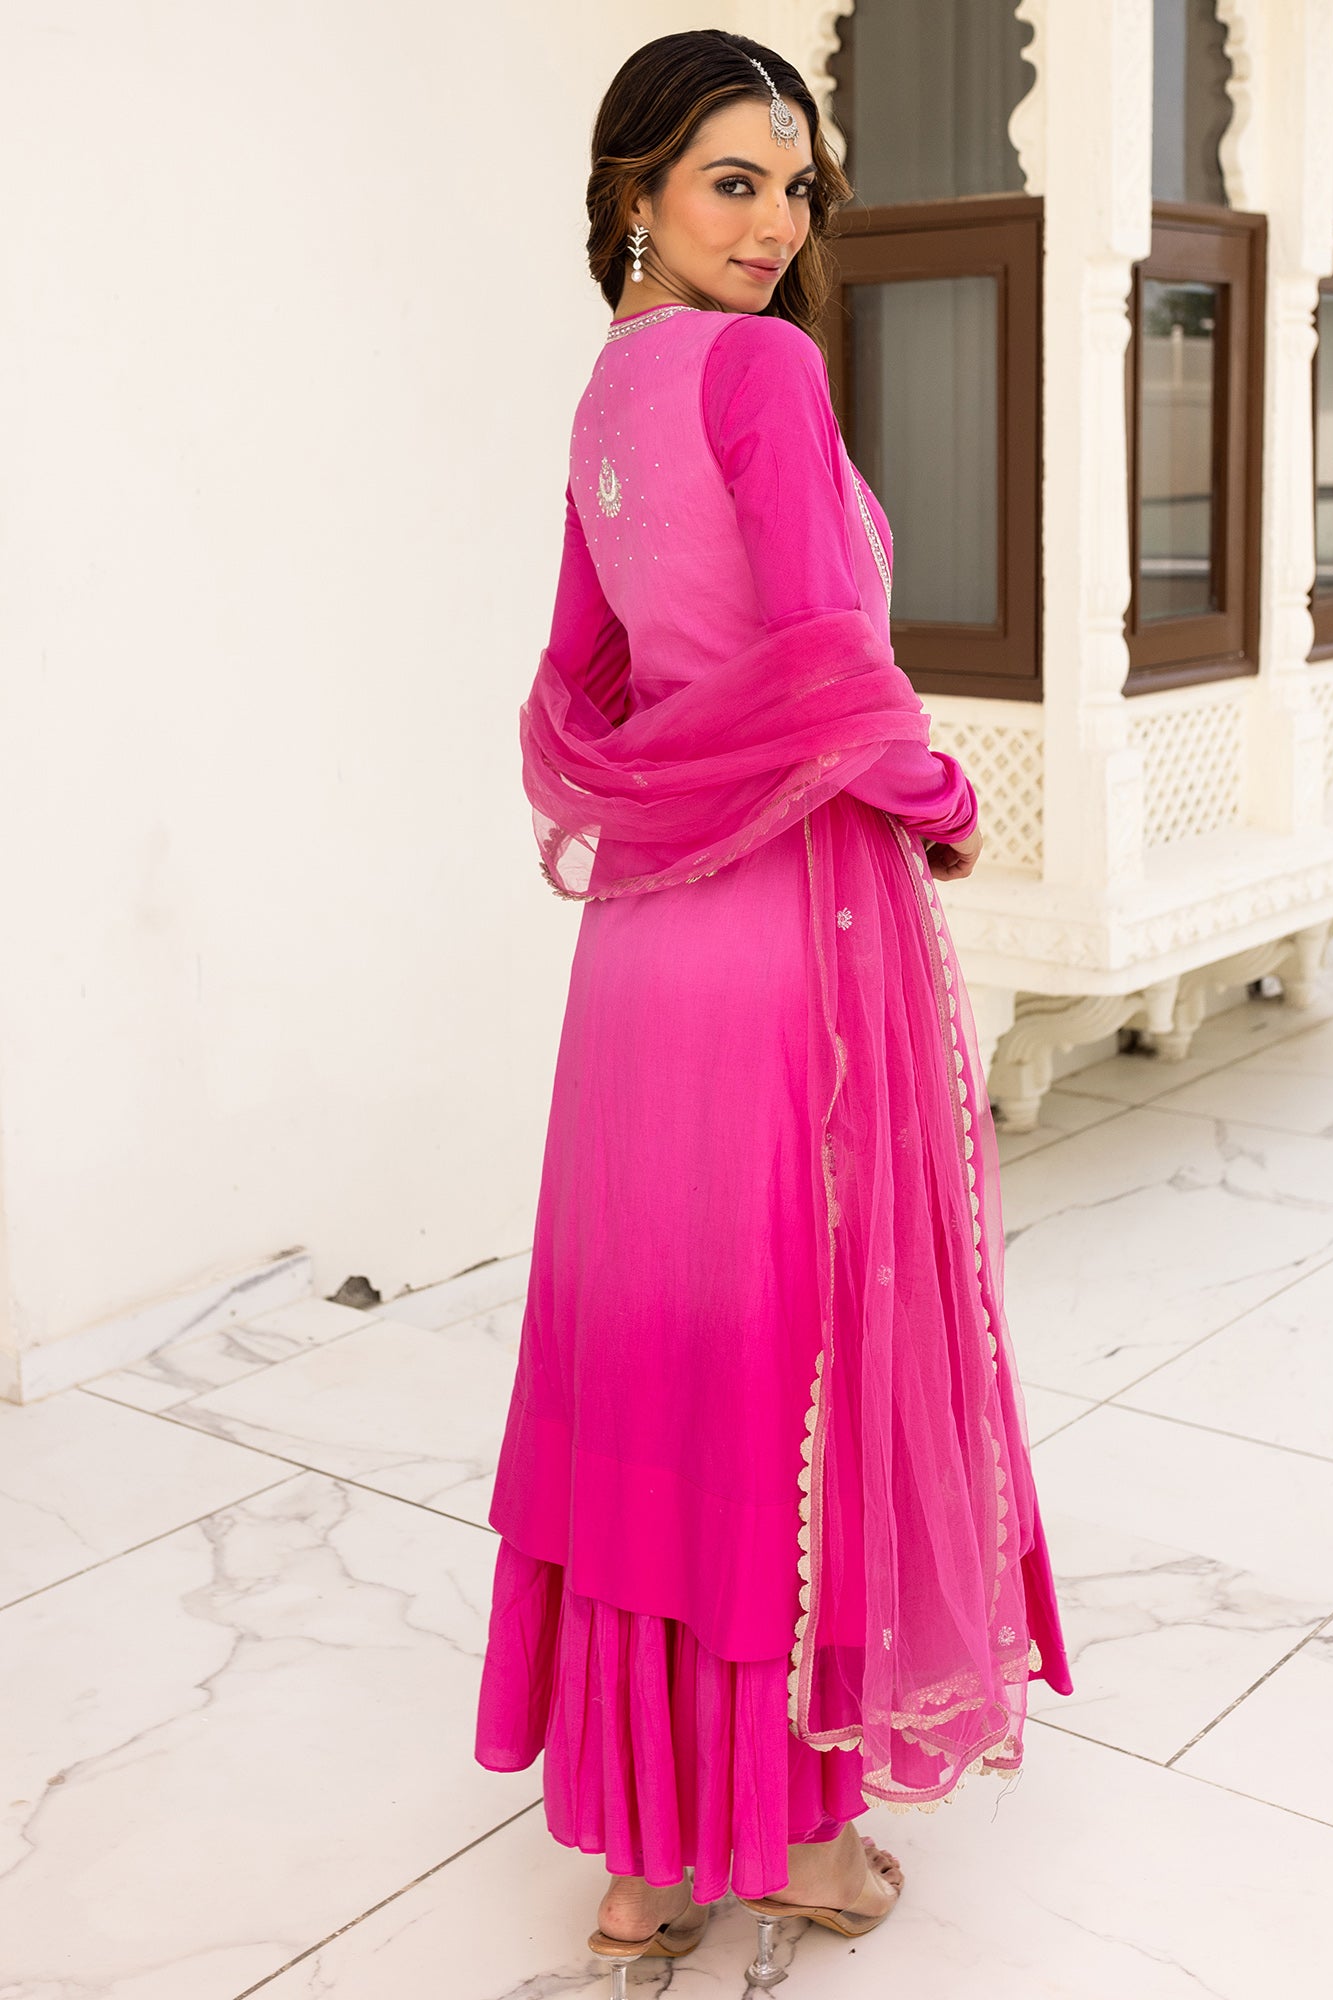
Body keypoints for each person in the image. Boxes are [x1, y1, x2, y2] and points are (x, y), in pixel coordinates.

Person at [474, 28, 1072, 1991]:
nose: (775, 222)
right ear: (633, 190)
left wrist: (671, 787)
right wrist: (944, 801)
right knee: (791, 1363)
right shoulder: (763, 370)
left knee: (646, 1357)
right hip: (793, 921)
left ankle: (644, 1864)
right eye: (733, 179)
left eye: (796, 186)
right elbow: (831, 657)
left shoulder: (610, 390)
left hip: (648, 941)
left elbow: (584, 687)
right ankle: (796, 1836)